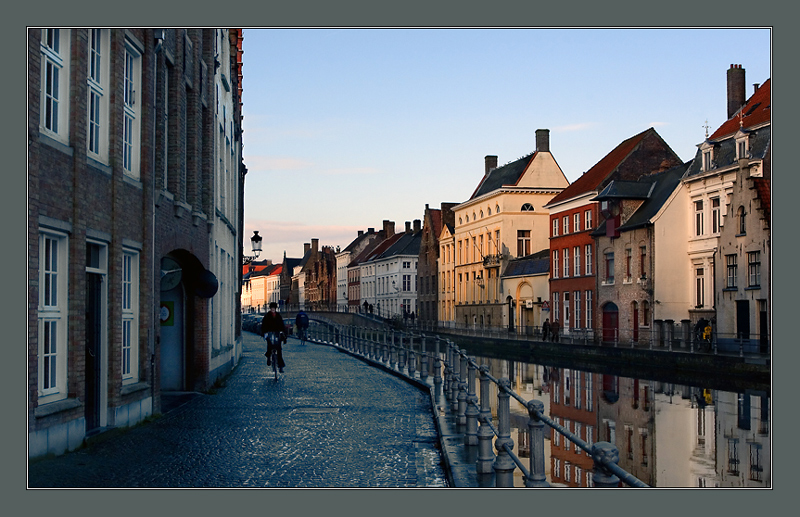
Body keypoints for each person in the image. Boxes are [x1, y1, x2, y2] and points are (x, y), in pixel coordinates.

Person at [261, 302, 286, 372]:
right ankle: (268, 357)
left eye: (274, 308)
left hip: (277, 333)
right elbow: (264, 325)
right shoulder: (267, 316)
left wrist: (283, 333)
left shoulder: (278, 316)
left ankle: (280, 366)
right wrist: (264, 333)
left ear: (275, 309)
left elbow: (282, 325)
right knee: (269, 345)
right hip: (269, 332)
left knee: (279, 350)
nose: (273, 309)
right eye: (272, 308)